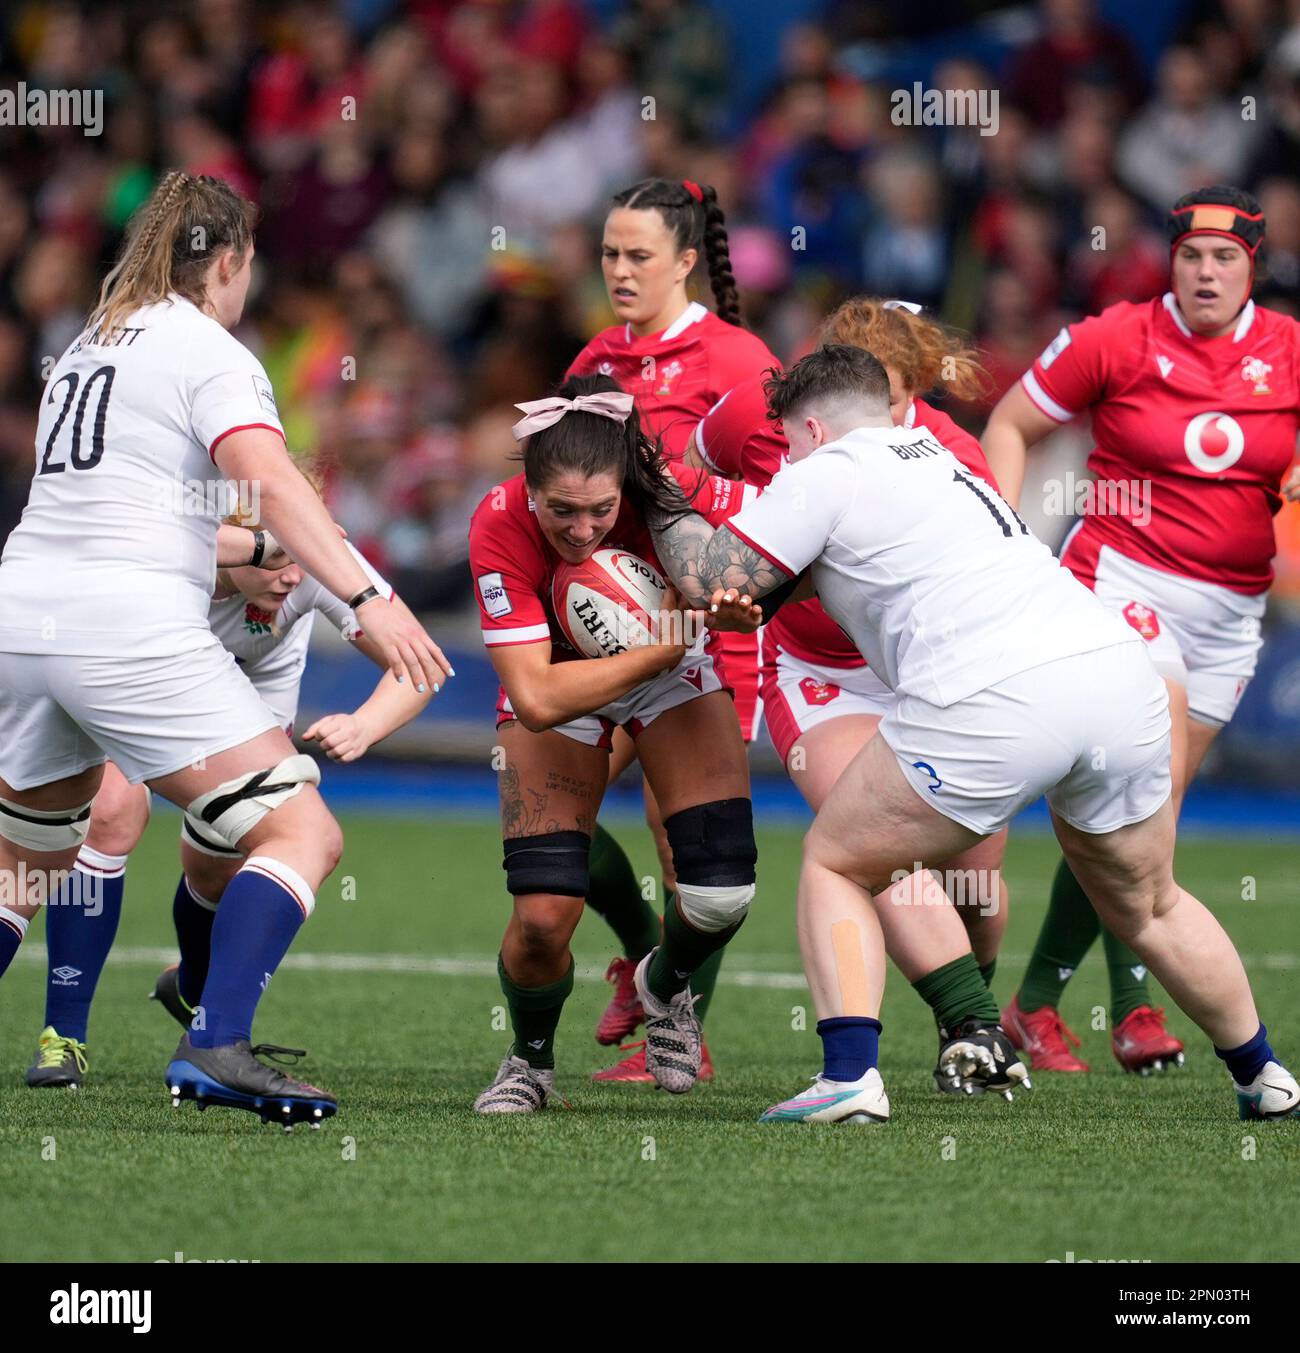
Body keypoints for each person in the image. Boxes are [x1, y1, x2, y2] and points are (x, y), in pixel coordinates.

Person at [651, 343, 1300, 1126]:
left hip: (995, 694)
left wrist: (656, 491)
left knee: (838, 858)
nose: (782, 456)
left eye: (786, 440)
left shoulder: (823, 468)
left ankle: (850, 1076)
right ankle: (1264, 1074)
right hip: (1114, 675)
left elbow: (715, 577)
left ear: (814, 429)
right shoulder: (937, 451)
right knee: (1151, 903)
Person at [0, 170, 450, 1127]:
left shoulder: (86, 347)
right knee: (304, 831)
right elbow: (270, 480)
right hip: (121, 619)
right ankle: (215, 1042)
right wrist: (369, 595)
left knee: (19, 868)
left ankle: (164, 1025)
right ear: (232, 263)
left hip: (19, 609)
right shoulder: (212, 350)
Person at [983, 185, 1300, 1074]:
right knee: (1142, 798)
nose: (1206, 272)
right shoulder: (1114, 336)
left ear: (1254, 266)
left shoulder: (1289, 352)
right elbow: (1011, 421)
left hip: (1231, 618)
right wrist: (1005, 546)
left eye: (1226, 258)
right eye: (1192, 256)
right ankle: (1135, 1009)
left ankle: (1036, 1003)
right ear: (1171, 260)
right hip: (1120, 584)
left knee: (1140, 833)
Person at [688, 297, 1023, 1095]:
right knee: (869, 841)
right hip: (821, 675)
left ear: (917, 390)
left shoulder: (954, 456)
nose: (865, 416)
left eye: (893, 397)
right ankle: (971, 1028)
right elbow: (693, 468)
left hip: (928, 675)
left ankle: (964, 1011)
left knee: (977, 883)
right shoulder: (761, 411)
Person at [25, 538, 432, 1088]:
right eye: (275, 557)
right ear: (227, 534)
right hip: (131, 679)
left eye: (300, 558)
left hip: (245, 704)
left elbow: (419, 661)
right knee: (110, 814)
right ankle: (63, 1035)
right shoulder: (166, 548)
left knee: (217, 867)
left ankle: (193, 986)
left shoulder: (319, 548)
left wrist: (364, 724)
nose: (292, 576)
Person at [467, 373, 760, 1112]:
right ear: (529, 488)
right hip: (568, 676)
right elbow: (533, 698)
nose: (582, 528)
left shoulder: (673, 489)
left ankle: (661, 986)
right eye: (560, 510)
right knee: (541, 919)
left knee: (723, 895)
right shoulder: (497, 522)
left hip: (670, 669)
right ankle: (530, 1063)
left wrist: (743, 596)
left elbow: (773, 549)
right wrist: (660, 651)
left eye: (601, 509)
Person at [565, 177, 778, 1081]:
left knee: (681, 840)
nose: (618, 270)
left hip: (708, 631)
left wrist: (731, 582)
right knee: (553, 817)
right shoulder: (591, 361)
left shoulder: (736, 360)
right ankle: (644, 956)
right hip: (608, 627)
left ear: (686, 260)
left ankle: (677, 1035)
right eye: (609, 253)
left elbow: (782, 495)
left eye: (638, 255)